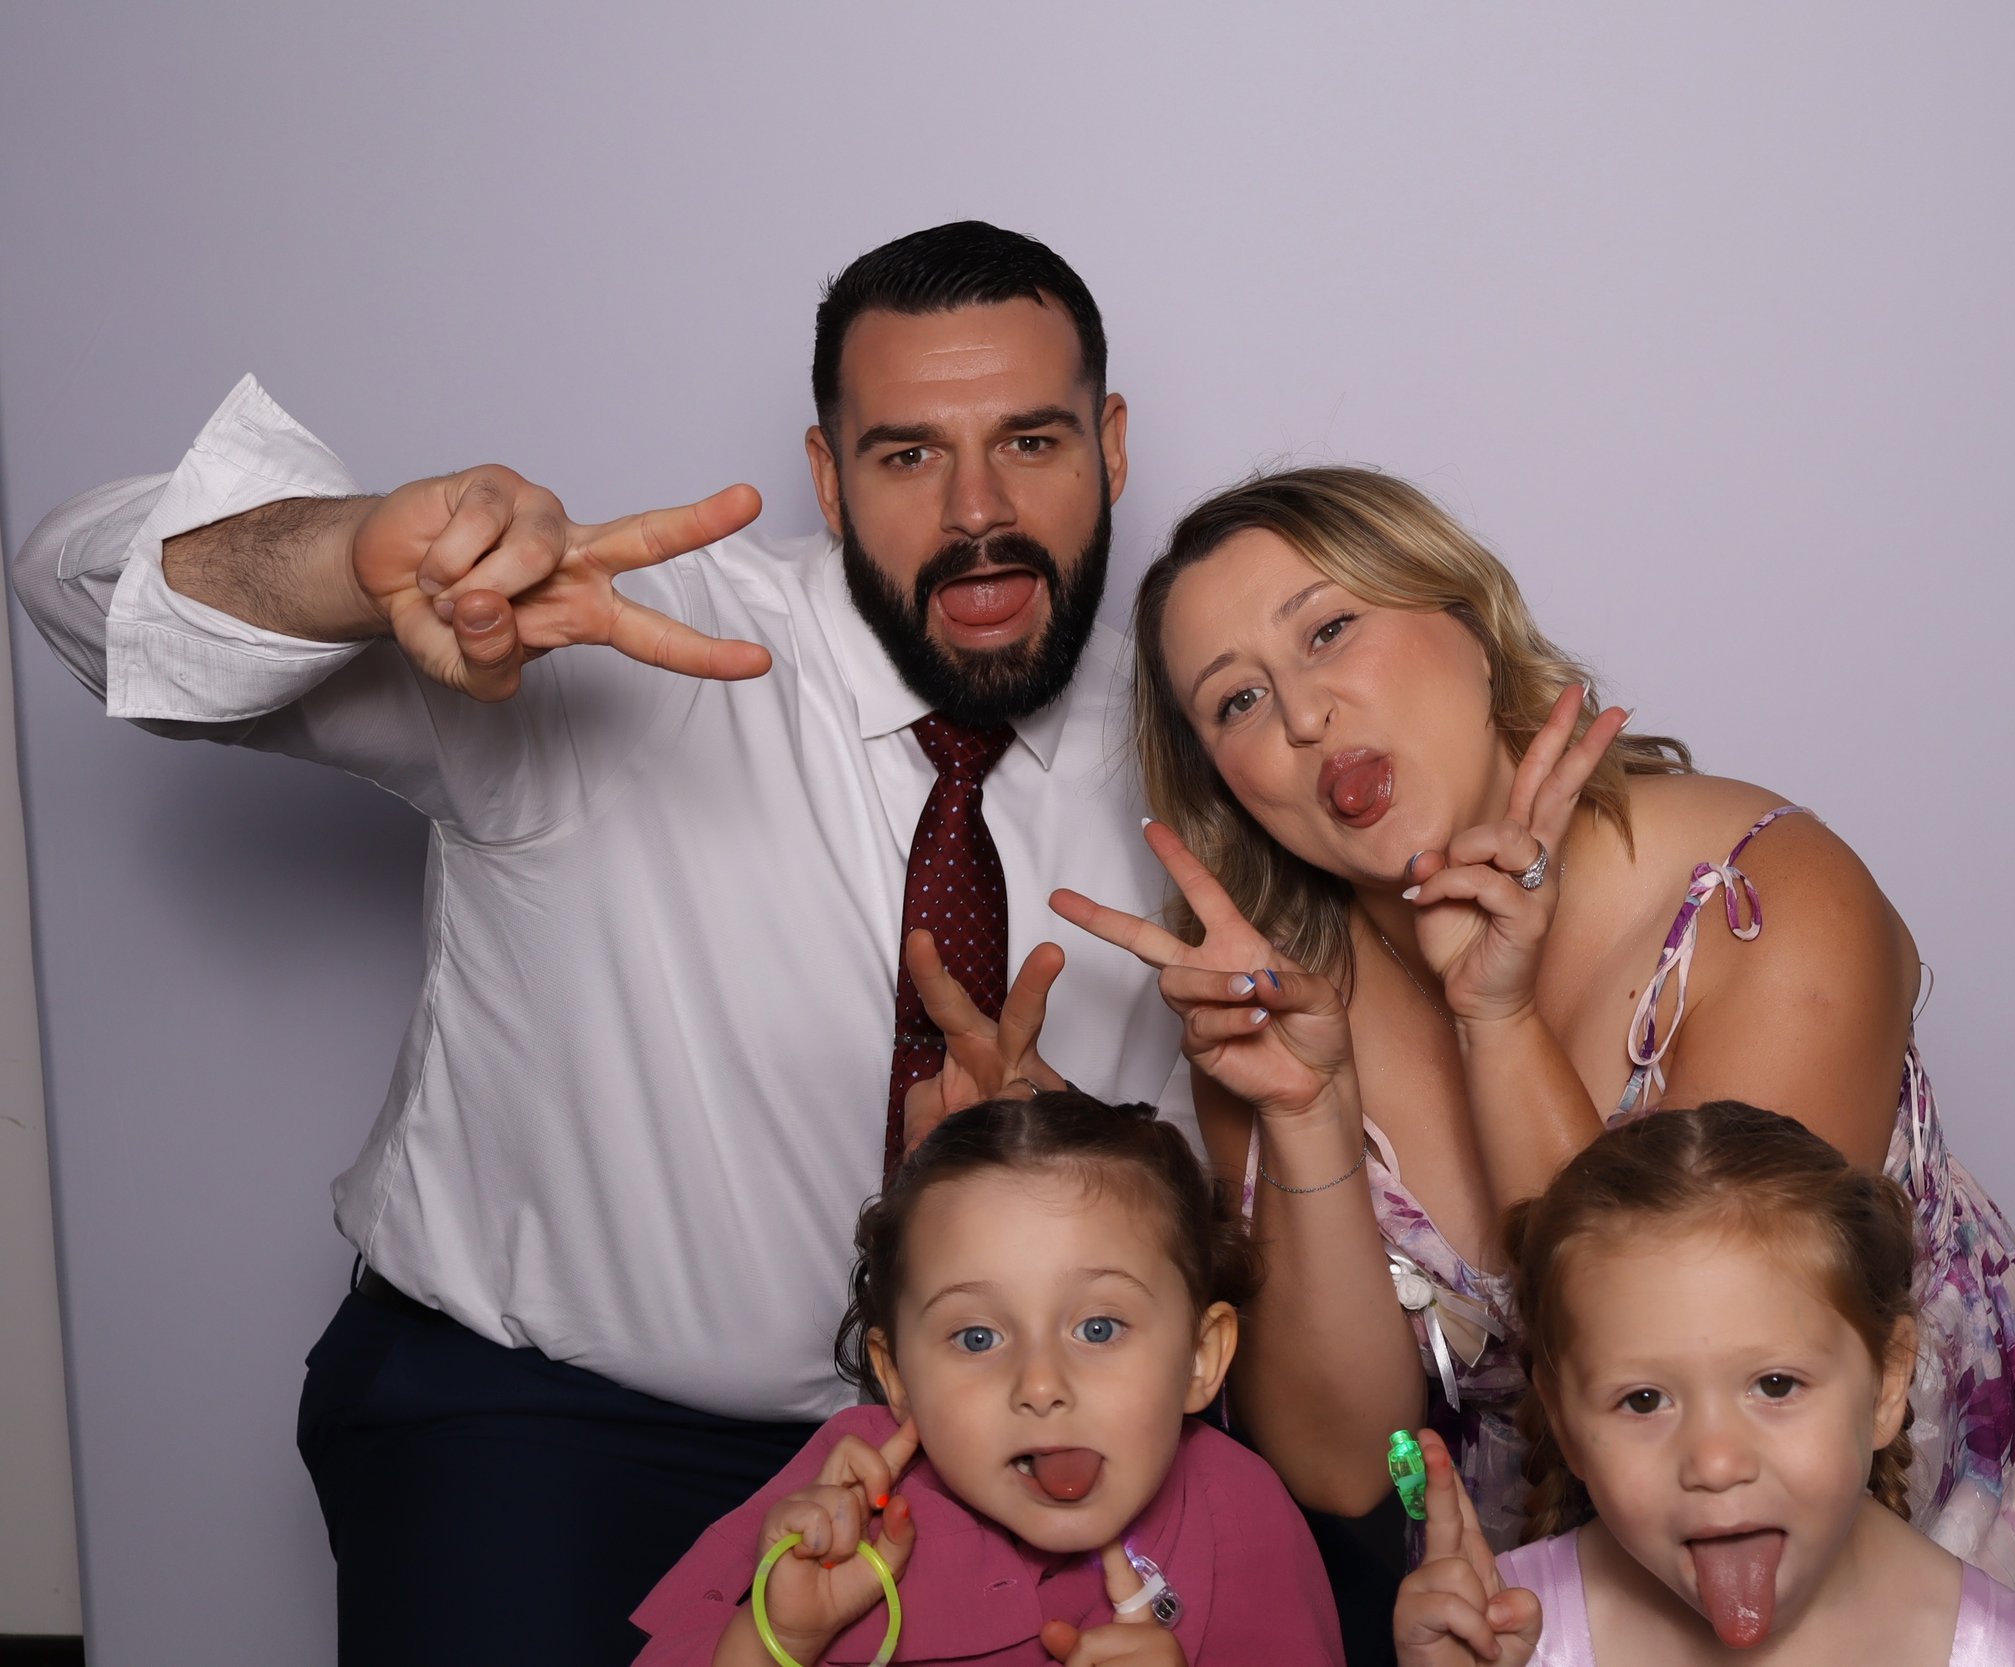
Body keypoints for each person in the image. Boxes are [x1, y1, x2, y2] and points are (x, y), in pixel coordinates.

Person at [7, 222, 1187, 1666]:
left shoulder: (1199, 731)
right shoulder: (610, 638)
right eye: (906, 454)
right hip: (539, 1423)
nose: (978, 511)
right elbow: (77, 587)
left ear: (1110, 447)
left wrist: (1067, 1173)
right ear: (827, 477)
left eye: (1033, 441)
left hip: (972, 1443)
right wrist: (355, 555)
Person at [1051, 466, 2015, 1662]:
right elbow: (1343, 1468)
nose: (1302, 715)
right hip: (1544, 1616)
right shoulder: (1270, 1010)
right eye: (1236, 699)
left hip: (1890, 1557)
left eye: (1330, 629)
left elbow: (1691, 1328)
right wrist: (1302, 1111)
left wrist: (1493, 1020)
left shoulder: (1768, 899)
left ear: (1468, 623)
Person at [629, 1090, 1344, 1666]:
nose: (1040, 1384)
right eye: (978, 1337)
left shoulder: (1242, 1513)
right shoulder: (836, 1496)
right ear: (898, 1375)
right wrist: (778, 1640)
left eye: (1099, 1328)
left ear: (1200, 1356)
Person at [1392, 1103, 2015, 1667]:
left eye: (1775, 1385)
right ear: (1565, 1422)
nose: (1715, 1463)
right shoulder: (1507, 1635)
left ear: (1887, 1382)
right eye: (1644, 1399)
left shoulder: (1999, 1653)